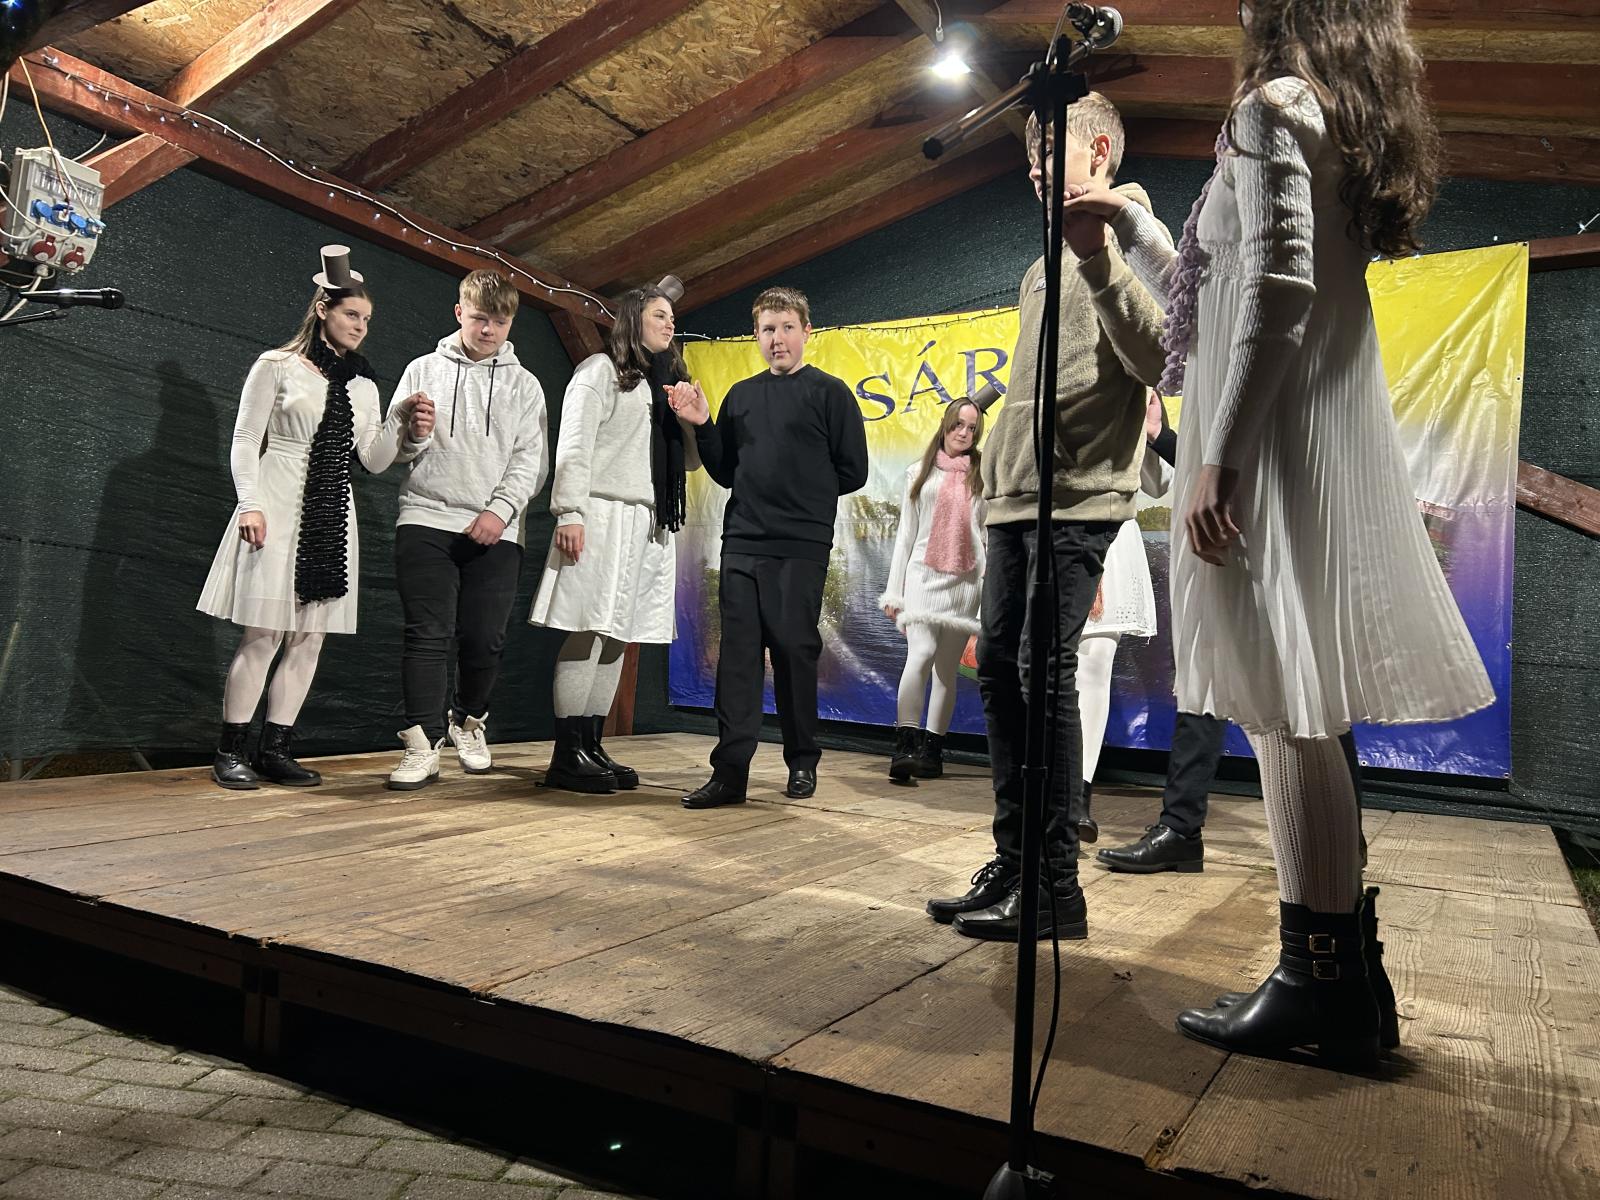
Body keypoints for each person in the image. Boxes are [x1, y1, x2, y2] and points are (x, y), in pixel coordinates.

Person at [1063, 0, 1494, 1067]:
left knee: (1284, 706)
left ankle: (1321, 986)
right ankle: (1339, 979)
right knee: (1294, 702)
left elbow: (1278, 288)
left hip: (1268, 440)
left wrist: (1220, 455)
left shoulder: (1269, 107)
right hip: (1296, 429)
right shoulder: (1327, 108)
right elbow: (1221, 290)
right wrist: (1136, 230)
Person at [922, 92, 1170, 944]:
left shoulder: (1133, 235)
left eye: (1051, 151)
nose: (1034, 168)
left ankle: (1056, 885)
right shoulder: (1038, 265)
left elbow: (1159, 358)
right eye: (1028, 155)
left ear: (1098, 152)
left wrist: (1099, 256)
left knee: (1044, 669)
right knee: (998, 669)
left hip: (1080, 493)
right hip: (1015, 500)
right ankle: (1015, 859)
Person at [200, 245, 432, 790]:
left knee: (309, 637)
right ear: (323, 309)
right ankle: (231, 749)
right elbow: (245, 438)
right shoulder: (277, 365)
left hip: (331, 510)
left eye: (367, 319)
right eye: (352, 314)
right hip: (278, 496)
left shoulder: (363, 384)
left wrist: (406, 428)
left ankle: (275, 749)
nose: (361, 326)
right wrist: (250, 502)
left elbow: (372, 458)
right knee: (264, 632)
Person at [672, 286, 870, 808]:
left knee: (793, 653)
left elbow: (853, 471)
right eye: (767, 329)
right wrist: (702, 424)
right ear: (756, 335)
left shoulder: (830, 393)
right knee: (737, 660)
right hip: (741, 543)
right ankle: (730, 773)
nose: (777, 338)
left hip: (800, 546)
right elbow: (724, 470)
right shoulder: (740, 396)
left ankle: (802, 760)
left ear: (806, 331)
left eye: (786, 328)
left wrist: (799, 494)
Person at [529, 285, 699, 793]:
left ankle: (591, 743)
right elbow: (574, 445)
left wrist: (689, 418)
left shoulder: (663, 384)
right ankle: (566, 754)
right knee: (588, 628)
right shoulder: (600, 371)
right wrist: (570, 512)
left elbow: (689, 463)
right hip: (601, 511)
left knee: (618, 635)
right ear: (633, 319)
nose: (670, 324)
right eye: (659, 315)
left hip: (648, 518)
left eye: (671, 317)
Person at [385, 269, 549, 790]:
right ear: (459, 312)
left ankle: (468, 721)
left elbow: (531, 460)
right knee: (426, 634)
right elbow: (394, 449)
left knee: (485, 638)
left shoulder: (525, 385)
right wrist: (414, 436)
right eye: (480, 318)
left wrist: (500, 511)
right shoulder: (421, 370)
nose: (488, 330)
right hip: (425, 516)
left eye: (499, 322)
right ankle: (421, 742)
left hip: (496, 527)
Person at [1071, 390, 1171, 840]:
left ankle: (1078, 795)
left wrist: (1151, 430)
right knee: (1054, 672)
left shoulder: (1137, 393)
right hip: (1062, 530)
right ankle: (1050, 787)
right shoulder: (1068, 385)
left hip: (1114, 539)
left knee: (1095, 667)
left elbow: (1157, 484)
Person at [879, 398, 987, 781]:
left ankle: (932, 751)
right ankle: (905, 746)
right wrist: (894, 591)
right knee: (921, 653)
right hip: (923, 575)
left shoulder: (983, 477)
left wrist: (989, 590)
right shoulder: (918, 472)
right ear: (945, 424)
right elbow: (905, 536)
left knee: (946, 669)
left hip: (966, 582)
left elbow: (986, 536)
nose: (963, 433)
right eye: (958, 424)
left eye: (972, 428)